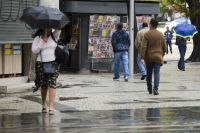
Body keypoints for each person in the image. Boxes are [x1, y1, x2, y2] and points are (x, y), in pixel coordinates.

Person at [32, 29, 61, 115]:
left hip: (54, 63)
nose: (48, 28)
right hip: (41, 63)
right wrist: (42, 41)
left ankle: (51, 107)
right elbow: (34, 51)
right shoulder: (38, 38)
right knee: (44, 85)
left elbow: (59, 28)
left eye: (49, 26)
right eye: (46, 27)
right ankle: (43, 104)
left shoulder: (54, 35)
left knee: (52, 83)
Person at [141, 18, 166, 95]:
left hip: (149, 57)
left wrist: (142, 57)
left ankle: (149, 88)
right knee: (157, 73)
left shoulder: (147, 34)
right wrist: (162, 54)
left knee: (149, 73)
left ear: (150, 24)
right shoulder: (161, 34)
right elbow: (164, 47)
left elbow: (144, 47)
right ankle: (156, 89)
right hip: (158, 57)